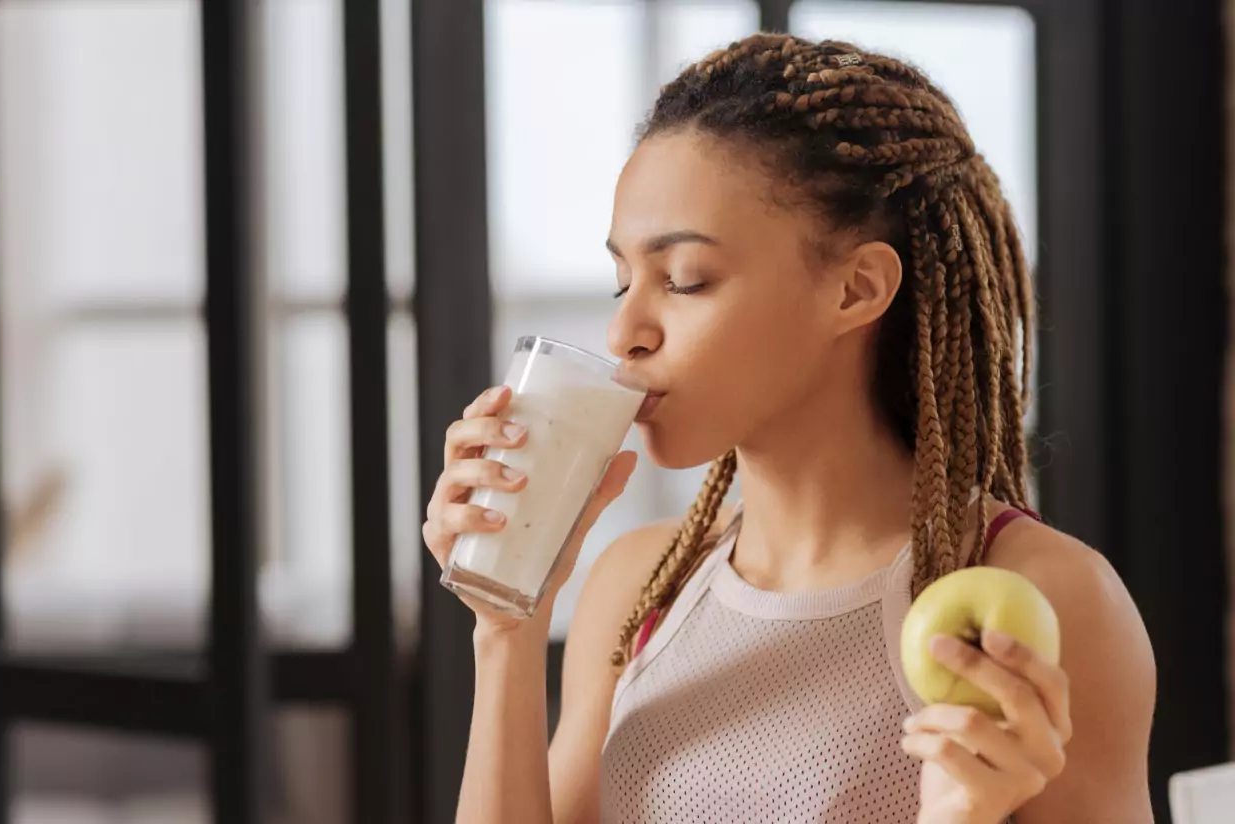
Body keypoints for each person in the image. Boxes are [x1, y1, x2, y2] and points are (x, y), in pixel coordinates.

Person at [423, 33, 1155, 824]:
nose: (625, 330)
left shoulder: (1045, 598)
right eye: (621, 281)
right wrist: (506, 631)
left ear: (856, 289)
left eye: (684, 280)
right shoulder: (640, 589)